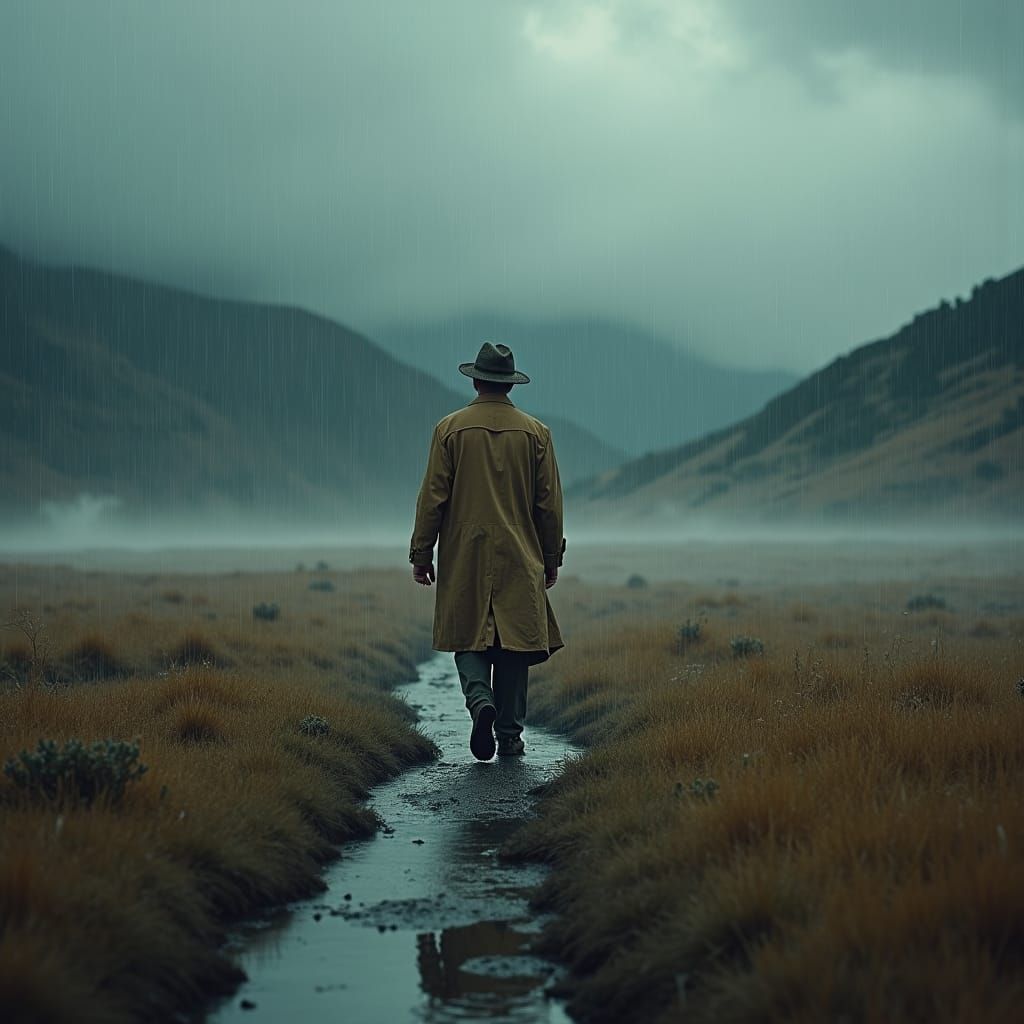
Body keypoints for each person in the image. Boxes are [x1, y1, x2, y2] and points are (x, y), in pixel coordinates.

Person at [410, 342, 565, 760]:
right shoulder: (537, 433)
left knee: (468, 636)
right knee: (515, 644)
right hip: (521, 551)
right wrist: (552, 559)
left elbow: (433, 499)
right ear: (510, 385)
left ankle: (481, 704)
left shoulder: (449, 429)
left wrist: (421, 553)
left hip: (465, 552)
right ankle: (510, 736)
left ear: (476, 380)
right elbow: (548, 504)